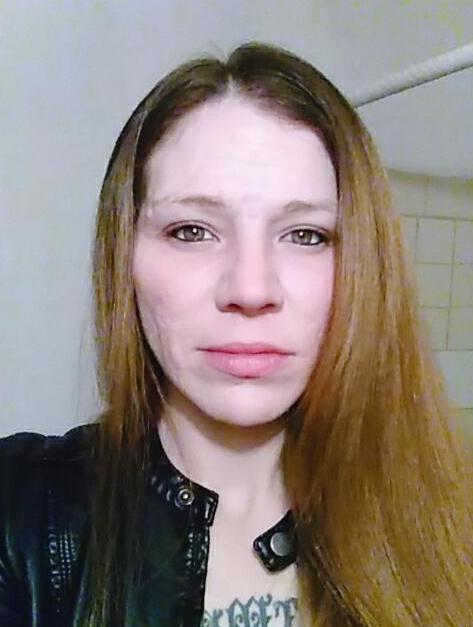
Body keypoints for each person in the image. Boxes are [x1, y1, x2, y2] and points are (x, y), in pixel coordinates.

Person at [0, 41, 471, 627]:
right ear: (125, 257)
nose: (251, 289)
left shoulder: (450, 520)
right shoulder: (20, 513)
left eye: (306, 235)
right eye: (192, 231)